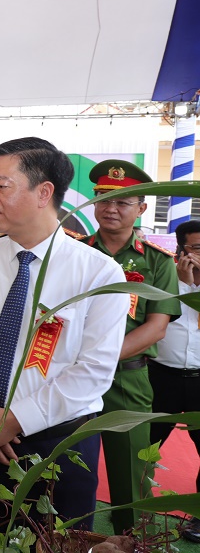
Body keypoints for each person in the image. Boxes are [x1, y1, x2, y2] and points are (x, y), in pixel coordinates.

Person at [0, 137, 128, 533]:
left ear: (44, 193)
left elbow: (94, 370)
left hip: (57, 443)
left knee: (54, 539)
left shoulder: (100, 274)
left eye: (0, 186)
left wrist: (16, 419)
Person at [80, 160, 179, 531]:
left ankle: (133, 539)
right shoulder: (73, 252)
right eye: (105, 198)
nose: (112, 208)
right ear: (94, 203)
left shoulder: (156, 260)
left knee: (132, 477)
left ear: (142, 208)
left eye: (124, 201)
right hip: (69, 379)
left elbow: (156, 328)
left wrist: (96, 359)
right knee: (67, 468)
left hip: (128, 381)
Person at [150, 220, 200, 543]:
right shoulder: (164, 277)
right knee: (143, 446)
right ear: (180, 250)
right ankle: (134, 511)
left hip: (199, 381)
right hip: (160, 377)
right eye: (196, 248)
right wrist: (183, 284)